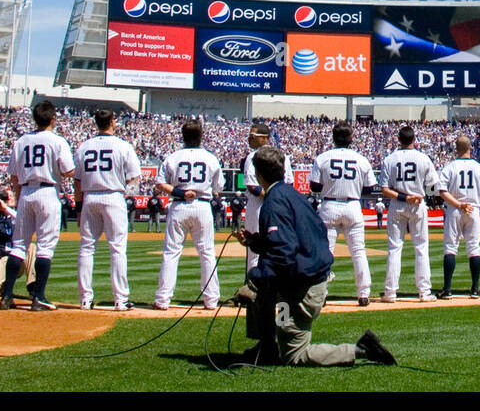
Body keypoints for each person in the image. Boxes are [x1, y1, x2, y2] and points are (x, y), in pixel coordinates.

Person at [237, 146, 395, 368]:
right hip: (300, 283)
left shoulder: (273, 202)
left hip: (302, 292)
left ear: (258, 174)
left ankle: (361, 349)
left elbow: (283, 251)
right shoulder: (292, 195)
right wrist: (255, 242)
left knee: (293, 355)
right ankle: (267, 346)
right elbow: (292, 241)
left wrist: (254, 282)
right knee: (268, 298)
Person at [0, 101, 75, 311]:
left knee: (18, 246)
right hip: (48, 191)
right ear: (53, 119)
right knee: (45, 247)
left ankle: (6, 296)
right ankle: (39, 296)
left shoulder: (21, 141)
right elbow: (68, 170)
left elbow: (14, 175)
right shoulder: (57, 141)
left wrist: (18, 195)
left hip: (26, 192)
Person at [74, 110, 142, 311]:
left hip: (90, 196)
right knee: (117, 248)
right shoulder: (123, 146)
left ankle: (85, 299)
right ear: (113, 122)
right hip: (113, 195)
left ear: (96, 123)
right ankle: (120, 299)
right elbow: (134, 178)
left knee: (87, 248)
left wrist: (78, 208)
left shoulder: (84, 146)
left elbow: (77, 181)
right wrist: (128, 194)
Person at [153, 120, 223, 311]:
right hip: (202, 205)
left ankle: (163, 299)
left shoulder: (173, 157)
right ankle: (211, 300)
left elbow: (160, 183)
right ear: (201, 136)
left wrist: (180, 193)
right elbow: (219, 187)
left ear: (182, 136)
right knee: (207, 253)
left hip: (179, 205)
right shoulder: (210, 157)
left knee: (171, 252)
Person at [309, 122, 376, 306]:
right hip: (352, 204)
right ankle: (363, 294)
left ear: (333, 137)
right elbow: (370, 188)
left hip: (329, 204)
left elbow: (314, 186)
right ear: (350, 138)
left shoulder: (323, 157)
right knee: (358, 251)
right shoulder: (361, 159)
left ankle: (320, 293)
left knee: (326, 252)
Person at [379, 125, 441, 302]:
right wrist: (421, 196)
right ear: (414, 140)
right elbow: (433, 187)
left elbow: (384, 189)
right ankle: (424, 291)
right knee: (421, 248)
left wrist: (404, 196)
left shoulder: (390, 159)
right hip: (417, 203)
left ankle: (390, 292)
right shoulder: (423, 158)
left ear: (399, 140)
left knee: (394, 248)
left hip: (398, 203)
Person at [437, 134, 480, 298]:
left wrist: (459, 204)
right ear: (470, 148)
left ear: (456, 149)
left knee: (450, 248)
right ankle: (474, 289)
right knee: (474, 248)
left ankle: (447, 289)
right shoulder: (479, 167)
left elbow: (442, 191)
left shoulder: (450, 167)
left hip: (455, 207)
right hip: (473, 208)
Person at [242, 124, 291, 272]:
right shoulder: (282, 156)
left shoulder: (253, 156)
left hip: (258, 205)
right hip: (277, 205)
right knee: (275, 244)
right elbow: (288, 184)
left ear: (264, 138)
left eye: (253, 136)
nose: (249, 139)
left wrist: (270, 197)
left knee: (255, 247)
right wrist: (277, 198)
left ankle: (255, 287)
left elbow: (252, 185)